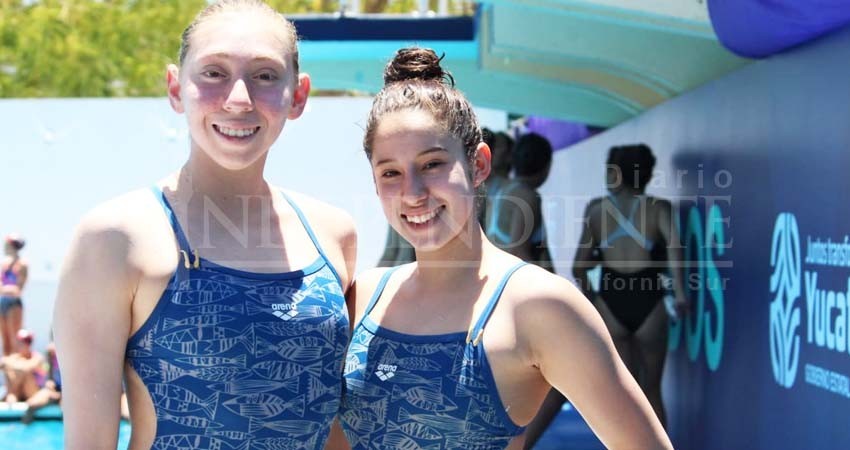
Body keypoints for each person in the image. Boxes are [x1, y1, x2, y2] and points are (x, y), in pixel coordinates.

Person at [52, 1, 356, 449]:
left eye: (265, 75)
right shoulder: (117, 239)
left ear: (298, 95)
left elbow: (335, 429)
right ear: (176, 89)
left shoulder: (333, 235)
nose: (238, 99)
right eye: (213, 73)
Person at [337, 47, 671, 450]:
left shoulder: (538, 307)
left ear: (478, 164)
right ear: (375, 183)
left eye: (432, 164)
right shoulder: (361, 299)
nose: (413, 193)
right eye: (391, 172)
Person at [572, 144, 689, 427]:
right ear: (647, 174)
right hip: (650, 302)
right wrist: (682, 296)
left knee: (625, 395)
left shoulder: (597, 209)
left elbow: (579, 266)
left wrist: (592, 298)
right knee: (651, 390)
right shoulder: (660, 209)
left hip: (610, 304)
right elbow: (676, 256)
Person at [20, 339, 62, 424]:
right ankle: (24, 428)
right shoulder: (49, 357)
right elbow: (48, 382)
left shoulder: (70, 357)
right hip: (52, 391)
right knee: (31, 404)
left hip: (66, 393)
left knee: (67, 409)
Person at [1, 329, 46, 405]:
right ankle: (12, 396)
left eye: (27, 341)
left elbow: (27, 368)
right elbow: (3, 363)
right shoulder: (14, 358)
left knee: (26, 374)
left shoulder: (37, 357)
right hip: (17, 393)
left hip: (32, 393)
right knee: (11, 373)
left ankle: (13, 396)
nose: (22, 344)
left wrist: (9, 365)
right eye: (20, 341)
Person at [1, 234, 28, 356]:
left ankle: (16, 371)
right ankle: (8, 374)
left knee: (15, 339)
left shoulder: (22, 264)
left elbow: (18, 288)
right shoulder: (3, 264)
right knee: (5, 341)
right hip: (2, 302)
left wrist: (5, 288)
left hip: (14, 304)